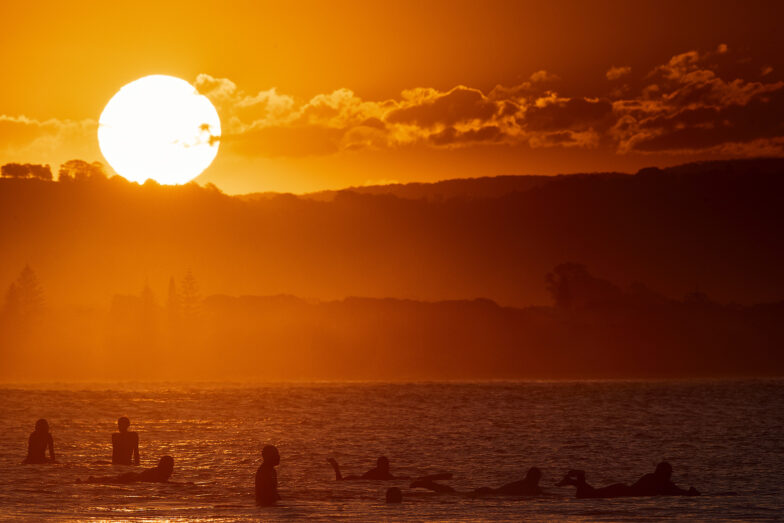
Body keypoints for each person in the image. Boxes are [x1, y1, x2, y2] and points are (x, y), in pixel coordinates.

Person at [557, 462, 699, 498]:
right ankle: (579, 478)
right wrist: (690, 494)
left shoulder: (650, 476)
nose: (670, 475)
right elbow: (677, 491)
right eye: (669, 473)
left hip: (621, 489)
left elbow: (674, 490)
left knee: (590, 495)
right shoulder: (662, 482)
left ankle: (576, 481)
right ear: (664, 473)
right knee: (586, 496)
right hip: (622, 493)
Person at [410, 466, 544, 496]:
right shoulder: (529, 488)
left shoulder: (523, 484)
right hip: (488, 494)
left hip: (489, 492)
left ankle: (428, 484)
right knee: (455, 494)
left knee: (457, 493)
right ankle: (427, 484)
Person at [78, 456, 174, 484]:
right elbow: (167, 484)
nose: (171, 470)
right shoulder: (159, 475)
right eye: (170, 466)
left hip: (131, 476)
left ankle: (91, 480)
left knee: (110, 479)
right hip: (131, 478)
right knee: (110, 481)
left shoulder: (157, 472)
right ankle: (88, 482)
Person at [328, 456, 406, 480]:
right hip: (357, 479)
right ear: (379, 465)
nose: (387, 466)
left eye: (387, 464)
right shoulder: (377, 472)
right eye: (385, 464)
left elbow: (394, 478)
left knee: (339, 481)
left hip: (357, 479)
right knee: (339, 481)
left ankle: (336, 467)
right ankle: (336, 468)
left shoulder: (386, 475)